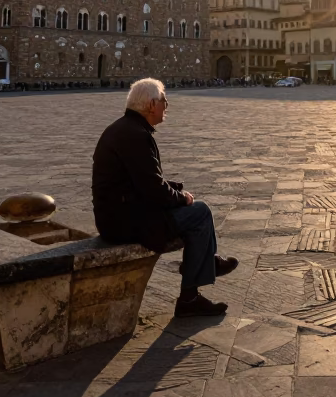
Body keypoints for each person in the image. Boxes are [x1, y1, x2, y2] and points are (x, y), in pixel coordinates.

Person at [92, 78, 237, 318]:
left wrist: (172, 189)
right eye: (163, 101)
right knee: (199, 212)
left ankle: (206, 264)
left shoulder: (125, 129)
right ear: (151, 105)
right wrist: (182, 198)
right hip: (124, 221)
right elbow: (153, 191)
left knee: (197, 212)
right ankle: (191, 295)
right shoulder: (136, 135)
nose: (166, 106)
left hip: (120, 213)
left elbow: (139, 181)